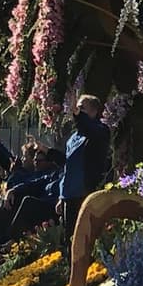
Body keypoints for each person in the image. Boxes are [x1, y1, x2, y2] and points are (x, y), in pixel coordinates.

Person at [56, 95, 112, 234]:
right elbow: (67, 165)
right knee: (70, 237)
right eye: (77, 108)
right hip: (69, 195)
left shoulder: (101, 130)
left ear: (93, 112)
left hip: (86, 193)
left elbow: (90, 128)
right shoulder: (73, 137)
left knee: (86, 236)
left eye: (82, 108)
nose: (78, 111)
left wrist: (77, 113)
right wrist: (61, 196)